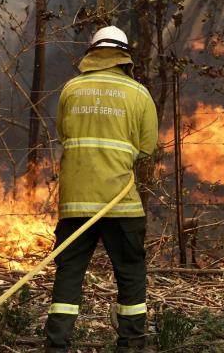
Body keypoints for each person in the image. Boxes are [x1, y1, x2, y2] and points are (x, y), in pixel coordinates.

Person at [44, 26, 158, 353]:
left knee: (69, 274)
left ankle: (57, 345)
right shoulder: (139, 94)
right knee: (131, 274)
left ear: (91, 53)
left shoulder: (70, 89)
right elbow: (146, 148)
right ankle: (131, 344)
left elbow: (65, 135)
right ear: (124, 56)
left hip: (75, 202)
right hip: (121, 203)